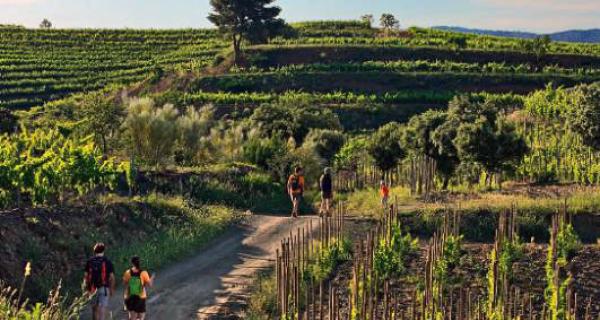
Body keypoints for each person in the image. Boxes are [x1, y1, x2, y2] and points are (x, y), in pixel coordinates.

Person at [84, 243, 115, 320]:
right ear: (103, 250)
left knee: (94, 309)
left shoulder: (89, 261)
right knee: (102, 309)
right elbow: (112, 278)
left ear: (94, 251)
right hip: (104, 288)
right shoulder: (107, 261)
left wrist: (86, 290)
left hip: (92, 288)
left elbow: (85, 277)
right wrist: (111, 289)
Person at [123, 256, 154, 320]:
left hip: (130, 297)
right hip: (140, 297)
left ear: (132, 263)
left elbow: (125, 283)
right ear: (140, 263)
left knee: (132, 317)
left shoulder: (127, 272)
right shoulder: (143, 273)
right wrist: (151, 279)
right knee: (141, 317)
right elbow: (150, 285)